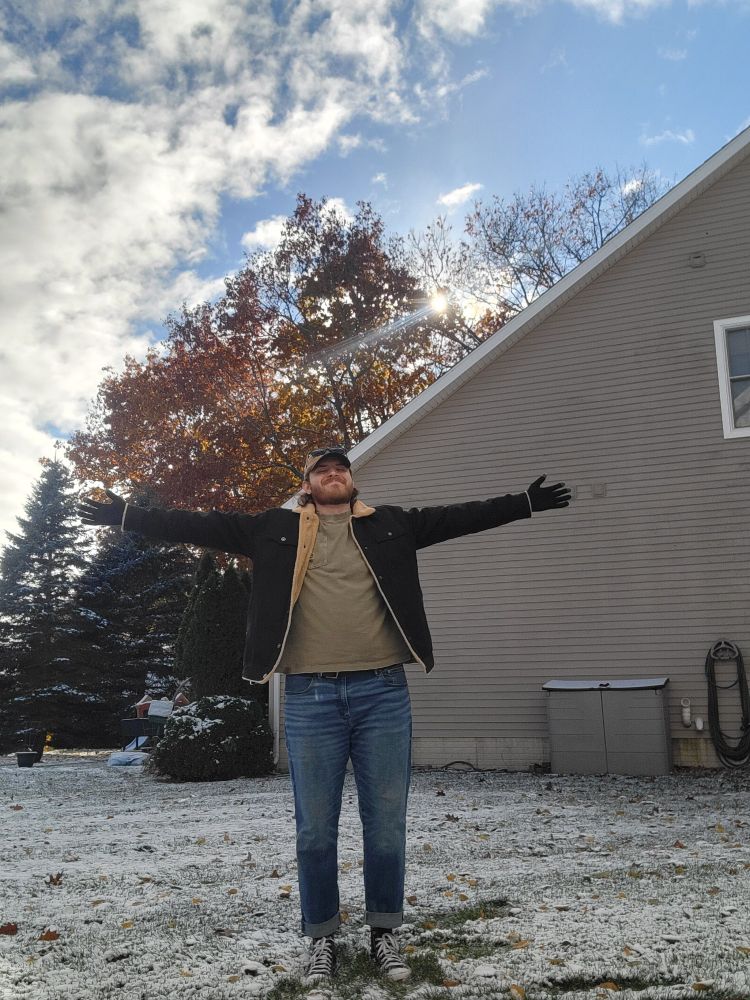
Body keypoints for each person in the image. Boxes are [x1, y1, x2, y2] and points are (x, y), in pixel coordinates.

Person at [79, 447, 571, 987]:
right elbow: (195, 523)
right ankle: (323, 940)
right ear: (307, 485)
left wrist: (524, 503)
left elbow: (460, 517)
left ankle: (384, 933)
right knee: (315, 832)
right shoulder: (271, 528)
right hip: (309, 695)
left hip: (383, 691)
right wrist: (127, 514)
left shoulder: (392, 525)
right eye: (322, 470)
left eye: (342, 468)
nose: (334, 473)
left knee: (386, 827)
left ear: (352, 481)